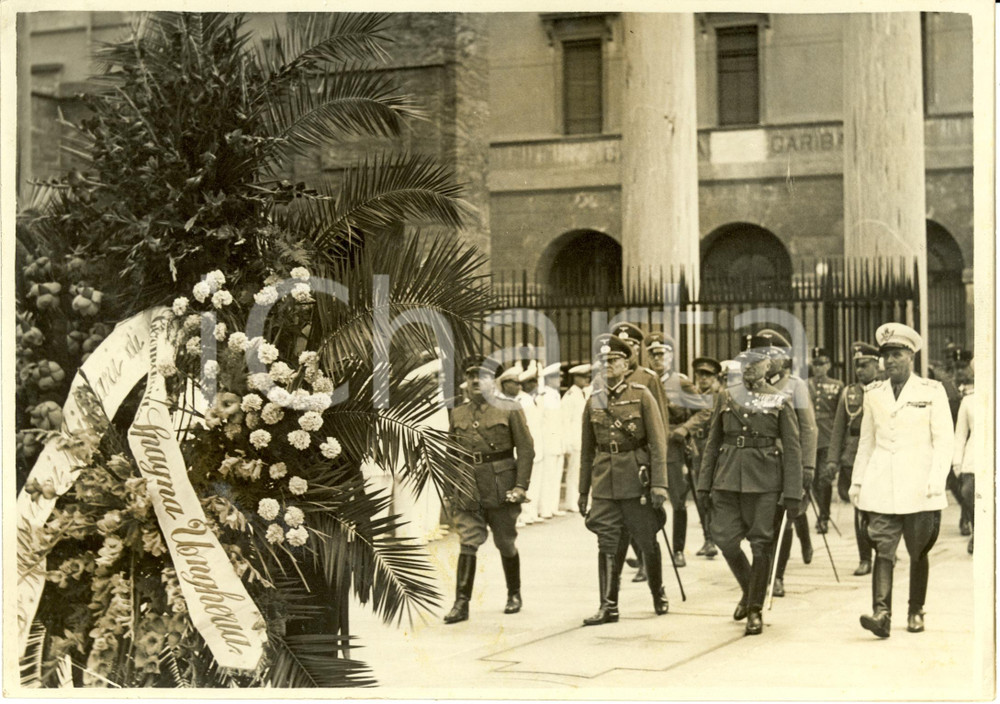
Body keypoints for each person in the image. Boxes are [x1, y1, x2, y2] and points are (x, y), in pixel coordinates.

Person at [850, 323, 954, 638]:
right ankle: (881, 613)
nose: (890, 361)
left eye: (896, 354)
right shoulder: (874, 394)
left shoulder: (931, 391)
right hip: (881, 483)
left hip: (919, 484)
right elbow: (866, 442)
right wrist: (857, 481)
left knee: (918, 550)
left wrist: (938, 478)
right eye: (886, 356)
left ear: (910, 355)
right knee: (883, 546)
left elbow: (943, 440)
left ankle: (915, 610)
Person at [697, 335, 803, 636]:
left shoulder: (780, 399)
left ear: (768, 363)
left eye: (756, 361)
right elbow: (712, 443)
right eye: (745, 361)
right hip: (728, 478)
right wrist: (704, 484)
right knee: (724, 538)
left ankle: (755, 608)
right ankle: (749, 588)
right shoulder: (727, 396)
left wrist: (793, 492)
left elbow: (793, 448)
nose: (749, 367)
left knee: (760, 544)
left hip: (766, 481)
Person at [579, 334, 670, 625]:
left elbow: (657, 443)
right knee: (607, 542)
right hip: (604, 482)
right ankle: (608, 606)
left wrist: (659, 483)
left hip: (636, 480)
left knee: (646, 539)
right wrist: (583, 491)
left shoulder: (642, 395)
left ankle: (657, 592)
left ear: (626, 364)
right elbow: (586, 450)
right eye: (603, 360)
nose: (608, 365)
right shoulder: (593, 400)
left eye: (614, 360)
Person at [444, 356, 535, 624]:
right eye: (471, 376)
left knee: (505, 542)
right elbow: (451, 453)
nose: (475, 381)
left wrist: (520, 486)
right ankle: (461, 603)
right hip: (468, 486)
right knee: (468, 541)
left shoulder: (509, 408)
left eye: (481, 376)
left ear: (493, 382)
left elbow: (526, 450)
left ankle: (514, 593)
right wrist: (450, 488)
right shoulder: (458, 412)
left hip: (500, 485)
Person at [608, 322, 671, 582]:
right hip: (616, 462)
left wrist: (658, 468)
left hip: (641, 461)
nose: (631, 350)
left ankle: (647, 563)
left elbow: (661, 424)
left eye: (634, 346)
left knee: (642, 519)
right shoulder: (608, 378)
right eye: (626, 347)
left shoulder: (648, 378)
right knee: (618, 521)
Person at [758, 329, 818, 598]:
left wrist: (807, 466)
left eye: (775, 356)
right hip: (761, 464)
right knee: (763, 522)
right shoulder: (752, 386)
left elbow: (809, 429)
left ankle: (777, 576)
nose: (769, 360)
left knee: (784, 520)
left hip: (787, 464)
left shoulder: (796, 386)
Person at [646, 333, 712, 567]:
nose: (657, 359)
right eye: (653, 354)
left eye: (662, 353)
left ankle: (678, 549)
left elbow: (705, 410)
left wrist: (684, 429)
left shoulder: (681, 383)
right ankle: (647, 552)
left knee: (677, 500)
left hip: (673, 448)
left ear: (671, 356)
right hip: (649, 448)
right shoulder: (645, 382)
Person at [824, 342, 880, 575]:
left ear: (877, 365)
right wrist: (832, 461)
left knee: (881, 509)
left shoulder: (886, 390)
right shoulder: (850, 393)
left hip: (880, 454)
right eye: (857, 366)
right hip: (854, 456)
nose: (860, 370)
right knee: (861, 507)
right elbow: (838, 429)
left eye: (865, 365)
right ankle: (865, 558)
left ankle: (885, 550)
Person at [688, 356, 723, 558]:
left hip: (713, 450)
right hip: (696, 447)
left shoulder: (718, 396)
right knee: (700, 494)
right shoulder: (693, 395)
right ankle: (708, 538)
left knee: (713, 494)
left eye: (707, 374)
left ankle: (715, 536)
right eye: (700, 374)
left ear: (715, 377)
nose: (703, 378)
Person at [808, 348, 844, 535]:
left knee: (825, 478)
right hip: (810, 438)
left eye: (821, 364)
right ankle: (821, 513)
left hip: (828, 437)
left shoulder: (837, 385)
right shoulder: (805, 385)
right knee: (813, 479)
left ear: (828, 365)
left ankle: (823, 517)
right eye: (815, 364)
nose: (818, 368)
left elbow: (840, 414)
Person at [561, 363, 593, 513]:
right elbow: (565, 421)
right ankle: (571, 501)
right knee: (574, 472)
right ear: (575, 378)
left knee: (584, 471)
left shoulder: (583, 393)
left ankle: (582, 500)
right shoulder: (570, 396)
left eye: (587, 376)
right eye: (583, 377)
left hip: (582, 440)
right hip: (574, 440)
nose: (586, 379)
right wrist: (567, 442)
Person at [952, 358, 975, 554]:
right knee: (968, 492)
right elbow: (960, 434)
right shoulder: (969, 400)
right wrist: (957, 462)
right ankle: (977, 529)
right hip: (973, 457)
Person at [537, 362, 566, 519]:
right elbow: (542, 421)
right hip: (548, 442)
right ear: (548, 379)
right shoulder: (545, 396)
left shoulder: (555, 395)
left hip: (557, 442)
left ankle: (552, 506)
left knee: (555, 476)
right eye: (556, 377)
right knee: (547, 477)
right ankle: (544, 508)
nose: (559, 380)